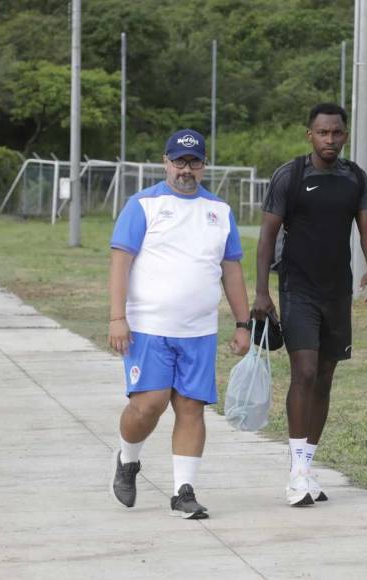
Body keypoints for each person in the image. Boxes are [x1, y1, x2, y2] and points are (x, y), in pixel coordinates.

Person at [108, 128, 251, 519]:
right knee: (148, 405)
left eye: (194, 162)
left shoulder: (219, 212)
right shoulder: (143, 205)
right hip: (149, 328)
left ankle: (183, 492)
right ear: (165, 162)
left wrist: (243, 323)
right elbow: (121, 262)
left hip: (199, 331)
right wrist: (117, 317)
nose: (185, 169)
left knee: (191, 407)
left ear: (204, 165)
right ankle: (128, 459)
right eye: (179, 161)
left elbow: (232, 270)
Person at [252, 103, 367, 507]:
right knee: (304, 371)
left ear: (344, 135)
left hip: (336, 293)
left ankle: (306, 467)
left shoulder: (354, 177)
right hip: (297, 289)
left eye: (337, 133)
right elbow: (267, 238)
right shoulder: (290, 176)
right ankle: (296, 473)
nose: (330, 140)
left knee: (324, 377)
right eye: (323, 133)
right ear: (309, 134)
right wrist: (261, 292)